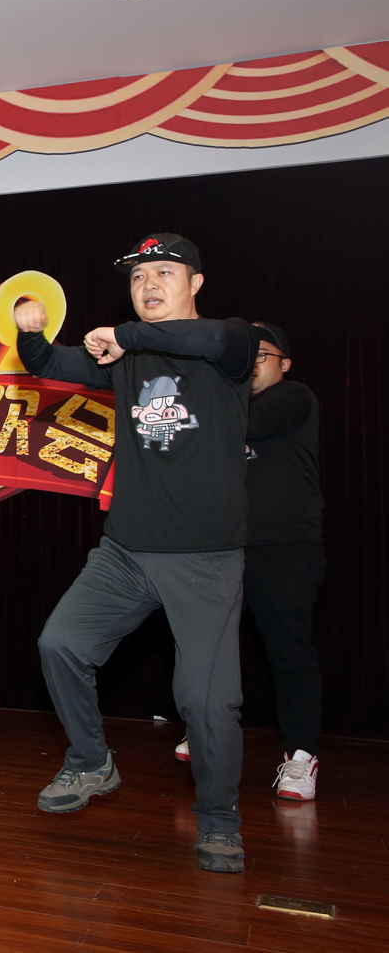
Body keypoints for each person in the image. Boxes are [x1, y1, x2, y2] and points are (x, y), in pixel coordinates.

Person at [16, 233, 257, 874]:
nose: (148, 284)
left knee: (205, 701)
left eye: (164, 273)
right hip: (125, 552)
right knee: (60, 644)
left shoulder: (232, 342)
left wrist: (126, 335)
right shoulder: (128, 356)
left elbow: (210, 339)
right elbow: (52, 365)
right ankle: (92, 761)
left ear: (195, 283)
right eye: (137, 277)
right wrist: (30, 336)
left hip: (204, 559)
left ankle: (219, 821)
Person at [172, 322, 324, 801]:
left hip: (284, 547)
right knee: (208, 647)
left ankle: (301, 756)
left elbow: (250, 424)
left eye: (262, 354)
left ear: (284, 363)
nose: (252, 362)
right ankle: (205, 730)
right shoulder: (220, 407)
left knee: (289, 652)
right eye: (244, 354)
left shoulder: (294, 397)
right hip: (222, 546)